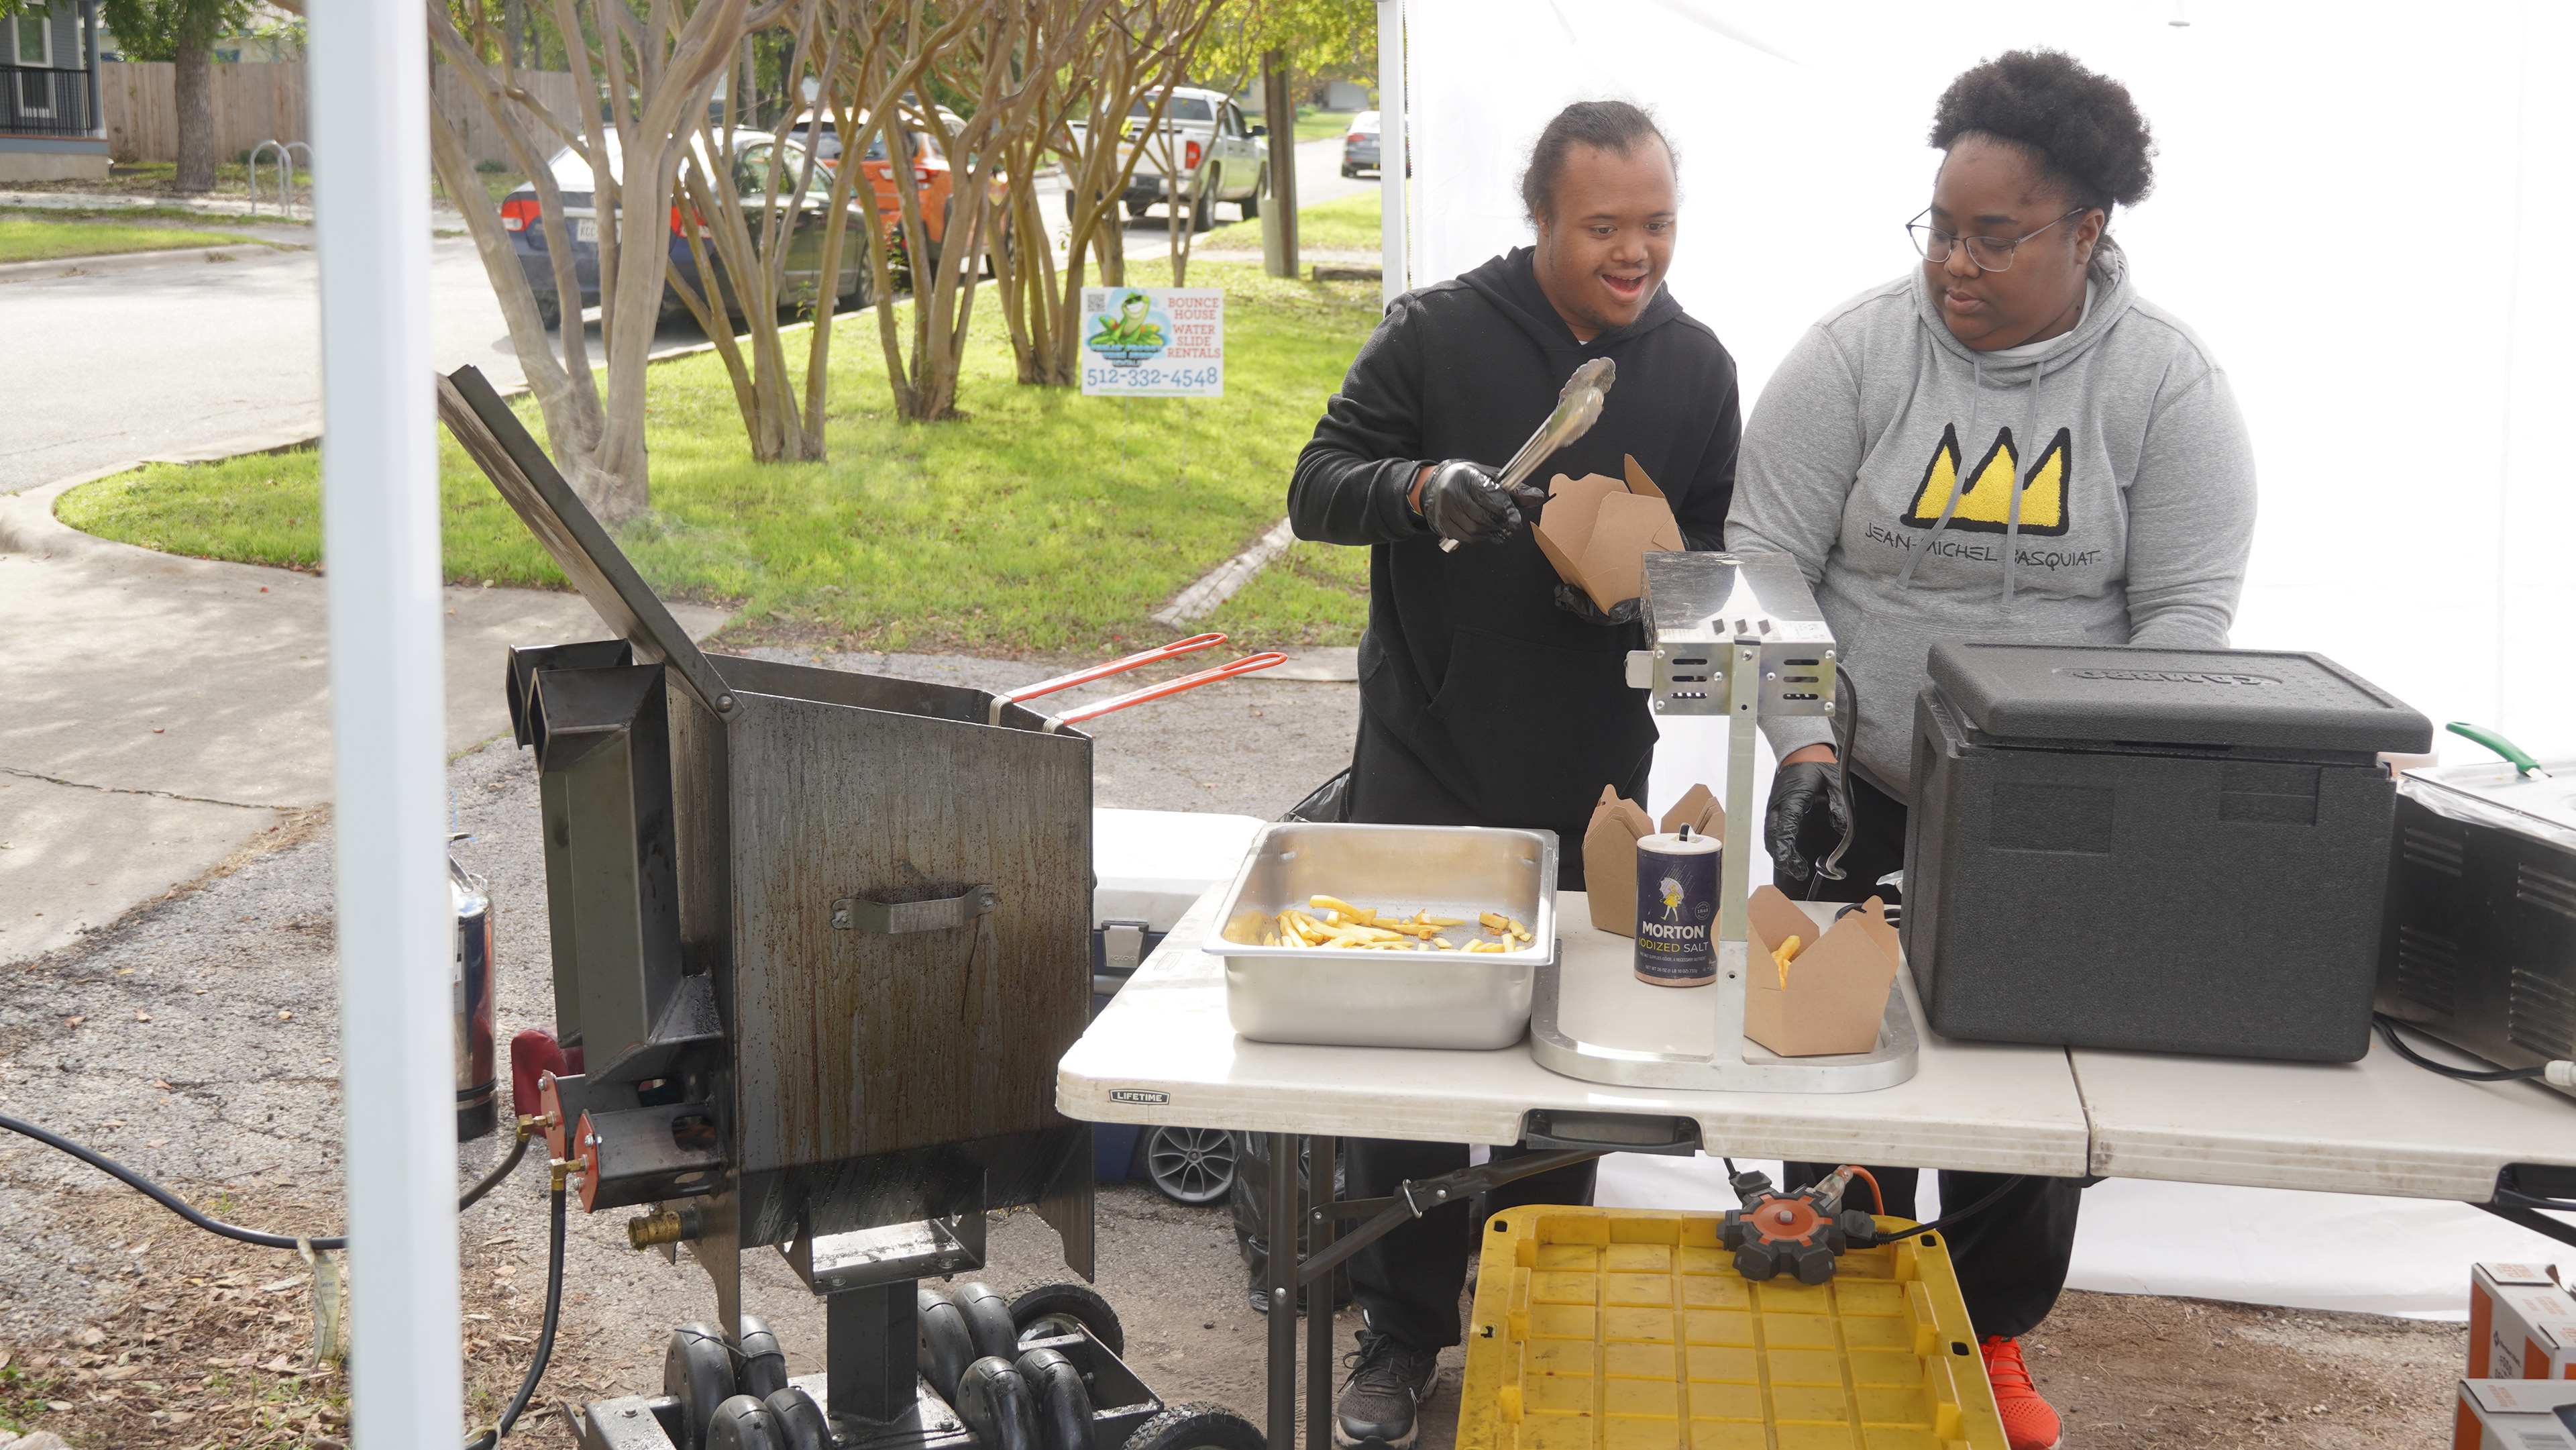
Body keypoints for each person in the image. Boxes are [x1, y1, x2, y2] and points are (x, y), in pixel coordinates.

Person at [1727, 50, 2257, 1450]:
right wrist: (1798, 746)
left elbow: (2190, 614)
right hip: (1859, 782)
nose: (1954, 262)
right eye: (1940, 227)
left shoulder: (2168, 386)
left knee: (2022, 1094)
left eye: (1995, 235)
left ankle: (1995, 1338)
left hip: (2050, 806)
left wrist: (2091, 778)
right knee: (1845, 1060)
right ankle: (1854, 1330)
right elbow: (1763, 561)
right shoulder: (1853, 355)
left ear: (2088, 230)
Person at [1287, 99, 1741, 1449]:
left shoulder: (1696, 367)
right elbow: (1316, 486)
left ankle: (1539, 1308)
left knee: (1577, 1060)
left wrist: (1637, 605)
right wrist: (1423, 490)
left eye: (1656, 224)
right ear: (1541, 216)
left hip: (1596, 765)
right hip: (1428, 755)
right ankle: (1403, 1322)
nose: (1634, 252)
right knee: (1418, 1053)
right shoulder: (1436, 332)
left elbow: (1705, 566)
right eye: (1604, 226)